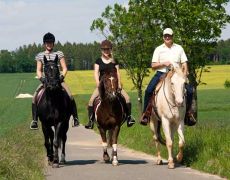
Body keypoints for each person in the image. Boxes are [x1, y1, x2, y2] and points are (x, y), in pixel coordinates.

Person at [140, 28, 191, 125]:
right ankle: (146, 114)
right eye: (165, 36)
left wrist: (185, 71)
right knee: (149, 90)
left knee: (190, 90)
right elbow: (153, 65)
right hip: (161, 73)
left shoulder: (179, 48)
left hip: (177, 75)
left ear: (172, 37)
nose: (167, 37)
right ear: (163, 37)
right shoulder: (158, 49)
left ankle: (188, 114)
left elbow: (184, 62)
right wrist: (163, 63)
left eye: (169, 36)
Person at [30, 32, 80, 130]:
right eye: (47, 43)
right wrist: (42, 79)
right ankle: (35, 120)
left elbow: (65, 68)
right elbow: (38, 70)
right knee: (34, 97)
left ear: (53, 43)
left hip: (58, 81)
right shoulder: (40, 55)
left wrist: (61, 77)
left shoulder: (59, 54)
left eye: (51, 42)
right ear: (44, 44)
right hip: (46, 81)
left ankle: (75, 117)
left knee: (70, 95)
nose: (49, 44)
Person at [85, 40, 135, 129]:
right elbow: (96, 73)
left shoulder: (114, 61)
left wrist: (119, 84)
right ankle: (91, 120)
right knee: (91, 101)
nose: (106, 51)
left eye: (107, 49)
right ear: (101, 50)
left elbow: (118, 73)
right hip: (102, 86)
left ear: (110, 50)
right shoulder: (98, 61)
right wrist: (98, 84)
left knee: (127, 98)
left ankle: (128, 118)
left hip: (114, 85)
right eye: (104, 49)